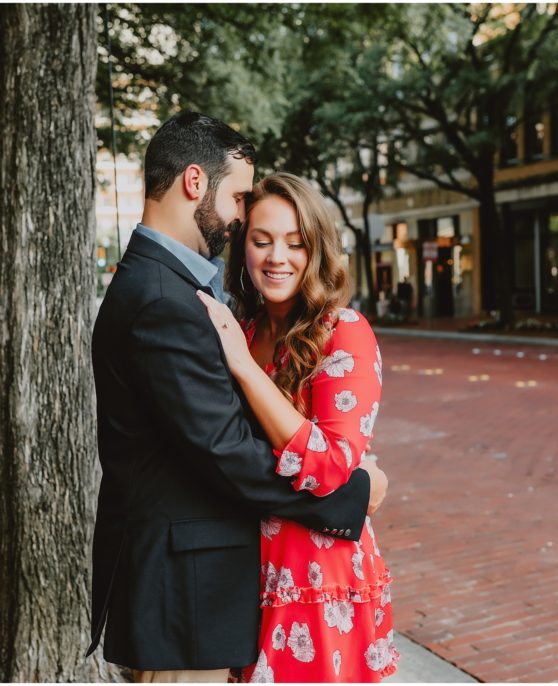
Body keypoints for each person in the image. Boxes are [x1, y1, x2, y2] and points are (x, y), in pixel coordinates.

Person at [87, 111, 388, 682]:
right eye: (242, 204)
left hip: (251, 587)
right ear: (195, 184)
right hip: (186, 598)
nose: (241, 217)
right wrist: (352, 494)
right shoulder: (166, 300)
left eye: (295, 243)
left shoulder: (179, 294)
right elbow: (225, 450)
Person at [197, 172, 399, 682]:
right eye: (262, 241)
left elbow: (330, 464)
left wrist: (243, 367)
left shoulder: (342, 331)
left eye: (295, 243)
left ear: (316, 249)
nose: (276, 257)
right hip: (248, 568)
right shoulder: (239, 329)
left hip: (318, 573)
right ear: (243, 247)